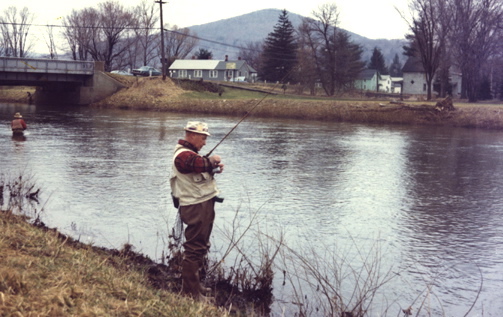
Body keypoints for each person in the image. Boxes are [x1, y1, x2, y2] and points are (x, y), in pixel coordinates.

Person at [170, 121, 224, 301]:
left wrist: (213, 168)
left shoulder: (191, 155)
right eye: (203, 138)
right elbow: (196, 164)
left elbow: (198, 168)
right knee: (194, 248)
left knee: (201, 245)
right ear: (191, 136)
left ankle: (195, 285)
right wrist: (212, 160)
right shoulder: (183, 155)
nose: (205, 142)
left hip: (202, 203)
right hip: (195, 206)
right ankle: (191, 294)